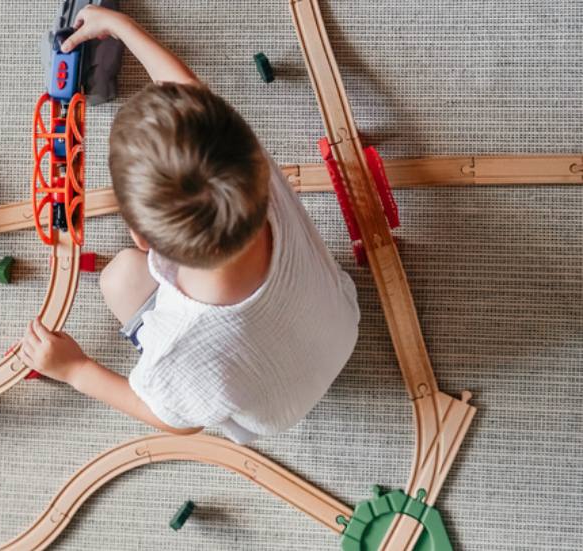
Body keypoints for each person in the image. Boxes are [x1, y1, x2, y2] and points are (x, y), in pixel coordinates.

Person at [18, 5, 360, 443]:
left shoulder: (177, 355)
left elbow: (176, 420)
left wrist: (76, 369)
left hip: (277, 411)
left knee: (119, 279)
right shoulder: (248, 164)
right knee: (127, 276)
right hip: (340, 326)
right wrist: (123, 28)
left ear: (142, 238)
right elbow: (193, 98)